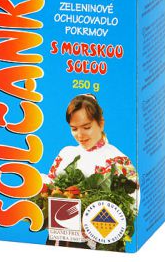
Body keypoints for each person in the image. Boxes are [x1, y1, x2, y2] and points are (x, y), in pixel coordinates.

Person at [45, 93, 138, 249]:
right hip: (59, 238)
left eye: (87, 127)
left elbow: (131, 208)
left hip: (97, 244)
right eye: (74, 129)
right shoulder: (66, 154)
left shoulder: (118, 160)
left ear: (101, 124)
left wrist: (91, 223)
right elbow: (49, 190)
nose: (80, 135)